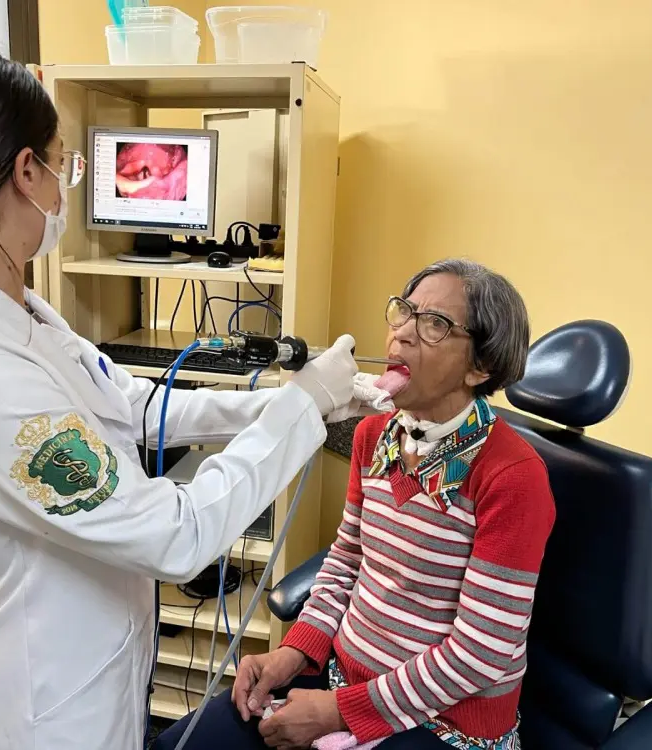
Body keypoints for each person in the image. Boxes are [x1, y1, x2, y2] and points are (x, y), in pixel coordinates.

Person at [0, 46, 360, 750]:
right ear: (25, 171)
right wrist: (298, 413)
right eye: (63, 164)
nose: (64, 186)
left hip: (93, 662)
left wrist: (289, 399)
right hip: (43, 708)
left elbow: (136, 406)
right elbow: (174, 535)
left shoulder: (19, 313)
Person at [156, 259, 556, 750]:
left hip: (446, 723)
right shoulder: (374, 435)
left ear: (481, 367)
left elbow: (480, 654)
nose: (402, 335)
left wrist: (336, 712)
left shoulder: (512, 475)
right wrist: (295, 653)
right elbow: (346, 562)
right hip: (341, 678)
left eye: (434, 324)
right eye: (404, 312)